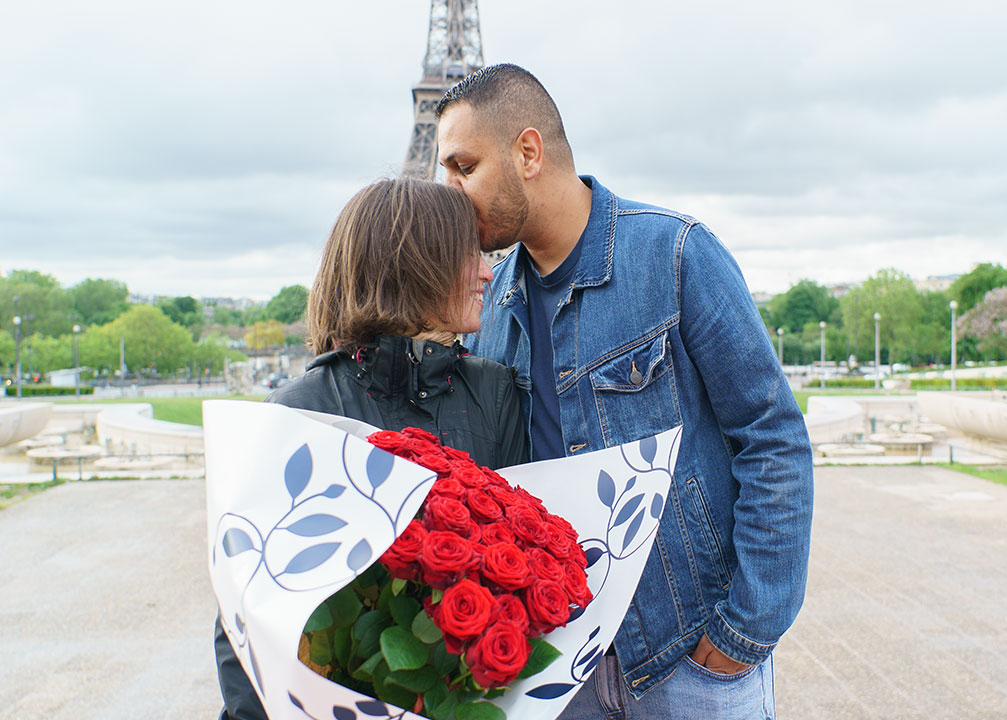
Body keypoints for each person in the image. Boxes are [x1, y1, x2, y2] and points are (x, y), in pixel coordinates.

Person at [436, 64, 814, 719]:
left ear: (528, 152)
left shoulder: (674, 254)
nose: (448, 190)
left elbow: (772, 437)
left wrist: (739, 637)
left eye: (463, 166)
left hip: (689, 660)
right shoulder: (491, 306)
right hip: (560, 666)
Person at [213, 177, 528, 720]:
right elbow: (245, 623)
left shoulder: (496, 391)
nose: (487, 271)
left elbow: (520, 567)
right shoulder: (295, 411)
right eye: (468, 256)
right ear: (414, 264)